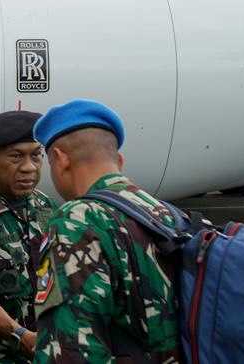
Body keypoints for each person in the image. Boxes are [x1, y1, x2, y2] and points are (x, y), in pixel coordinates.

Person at [31, 99, 182, 363]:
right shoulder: (165, 213)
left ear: (59, 158)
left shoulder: (77, 220)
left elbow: (68, 350)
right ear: (119, 160)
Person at [0, 110, 57, 363]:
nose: (29, 168)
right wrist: (20, 335)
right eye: (16, 156)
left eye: (36, 156)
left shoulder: (47, 208)